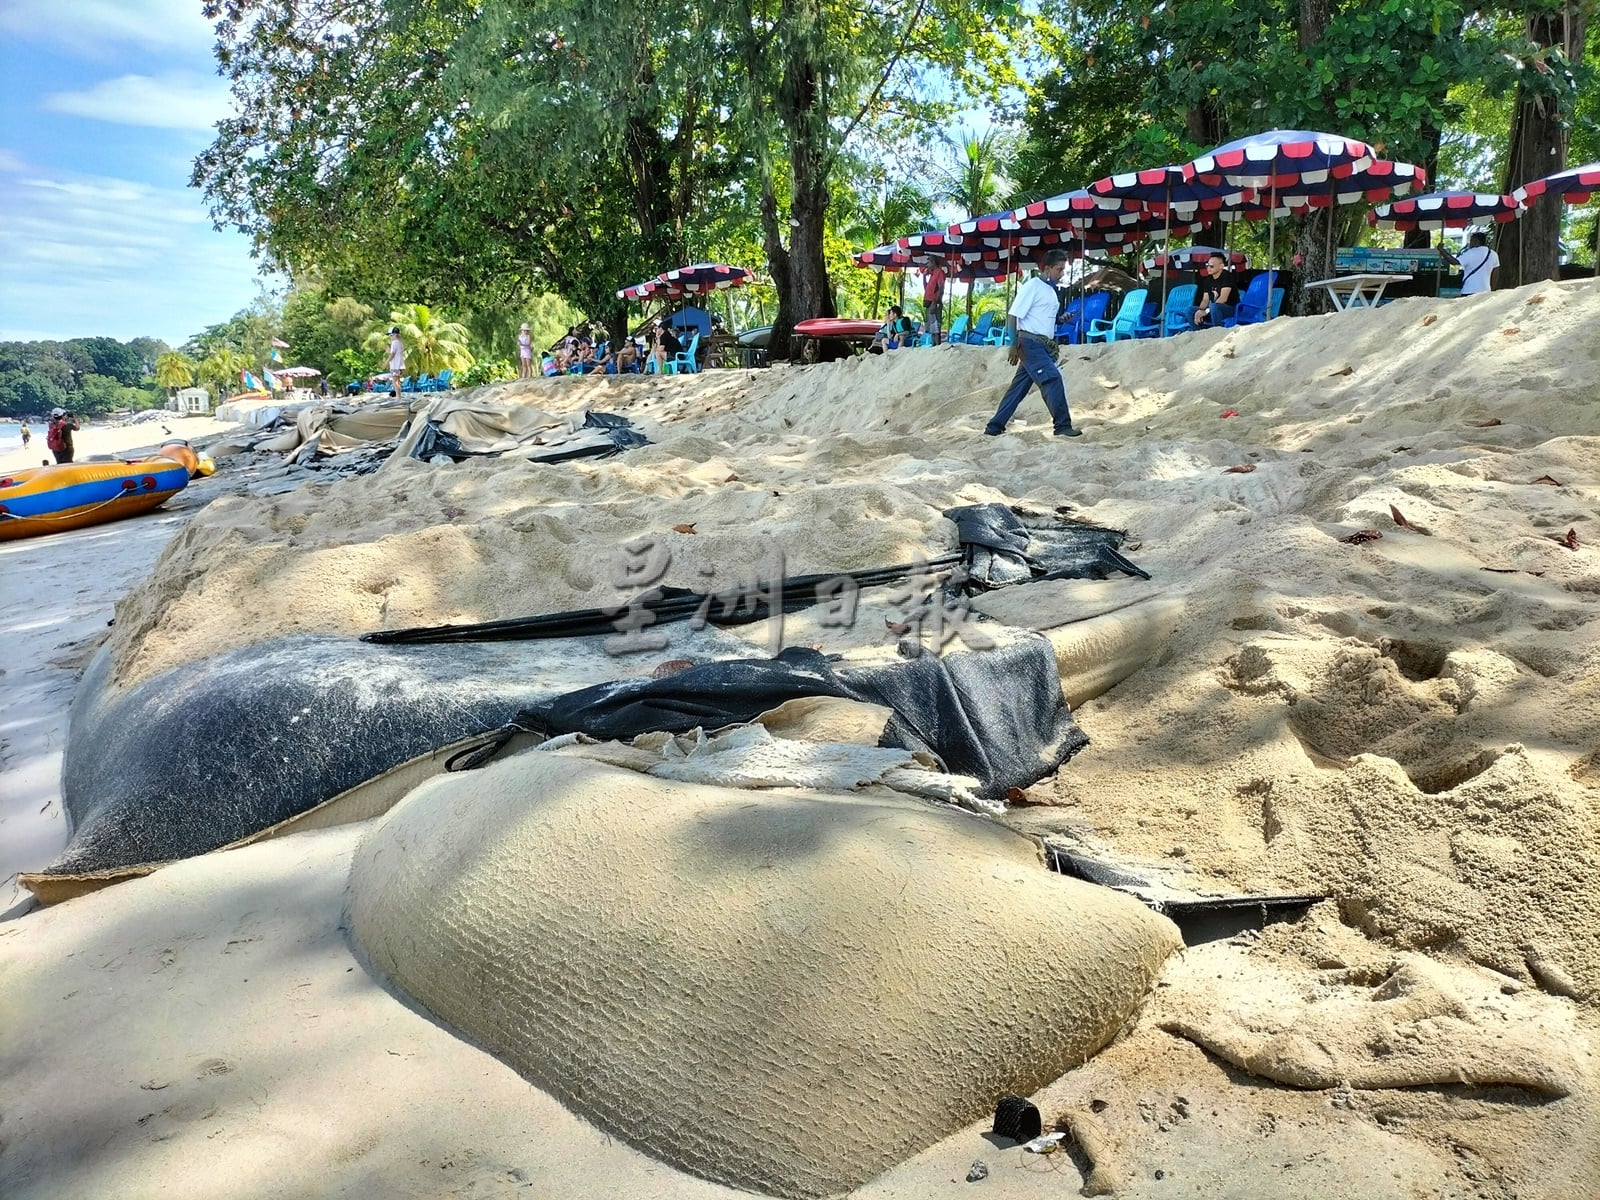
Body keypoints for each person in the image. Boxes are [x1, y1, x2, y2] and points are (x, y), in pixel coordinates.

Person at [984, 248, 1081, 438]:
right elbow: (1013, 315)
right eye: (1059, 269)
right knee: (1052, 379)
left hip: (1041, 345)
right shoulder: (1033, 286)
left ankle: (994, 427)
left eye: (1063, 270)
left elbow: (1043, 319)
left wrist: (1061, 319)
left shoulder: (1051, 292)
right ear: (1047, 269)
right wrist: (1014, 344)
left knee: (1018, 389)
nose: (1062, 273)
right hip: (1030, 344)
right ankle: (1062, 426)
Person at [1440, 231, 1499, 296]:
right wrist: (1492, 289)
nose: (1469, 243)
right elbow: (1495, 274)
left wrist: (1442, 250)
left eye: (1471, 240)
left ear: (1476, 241)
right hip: (1486, 290)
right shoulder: (1493, 254)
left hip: (1469, 289)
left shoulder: (1471, 252)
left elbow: (1454, 262)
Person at [1193, 253, 1242, 327]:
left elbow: (1223, 299)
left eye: (1211, 266)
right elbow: (1205, 299)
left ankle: (1218, 331)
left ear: (1221, 266)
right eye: (1207, 265)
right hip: (1213, 309)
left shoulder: (1227, 276)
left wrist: (1206, 311)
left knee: (1214, 306)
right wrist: (1200, 310)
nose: (1208, 268)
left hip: (1231, 310)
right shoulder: (1208, 279)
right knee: (1190, 310)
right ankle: (1198, 333)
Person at [922, 263, 946, 345]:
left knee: (936, 328)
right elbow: (926, 288)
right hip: (929, 303)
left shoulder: (939, 272)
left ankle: (937, 346)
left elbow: (941, 288)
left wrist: (935, 302)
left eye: (928, 263)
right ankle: (933, 345)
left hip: (934, 303)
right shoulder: (932, 275)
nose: (927, 265)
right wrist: (924, 276)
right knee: (931, 328)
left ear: (933, 262)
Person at [387, 326, 405, 398]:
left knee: (395, 382)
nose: (390, 337)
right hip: (400, 364)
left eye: (390, 335)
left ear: (394, 335)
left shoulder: (394, 343)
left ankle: (398, 397)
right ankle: (399, 397)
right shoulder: (400, 343)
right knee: (398, 382)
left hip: (395, 365)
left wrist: (386, 362)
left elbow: (393, 354)